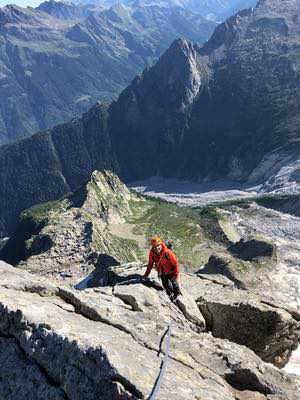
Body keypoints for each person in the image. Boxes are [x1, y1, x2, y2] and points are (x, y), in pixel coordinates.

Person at [143, 236, 181, 301]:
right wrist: (146, 275)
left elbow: (175, 264)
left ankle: (177, 294)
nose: (156, 248)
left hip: (171, 271)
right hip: (162, 271)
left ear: (161, 245)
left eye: (158, 246)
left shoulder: (168, 252)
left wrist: (176, 275)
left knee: (174, 283)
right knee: (165, 284)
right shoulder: (152, 253)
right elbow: (150, 264)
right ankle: (170, 295)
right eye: (154, 247)